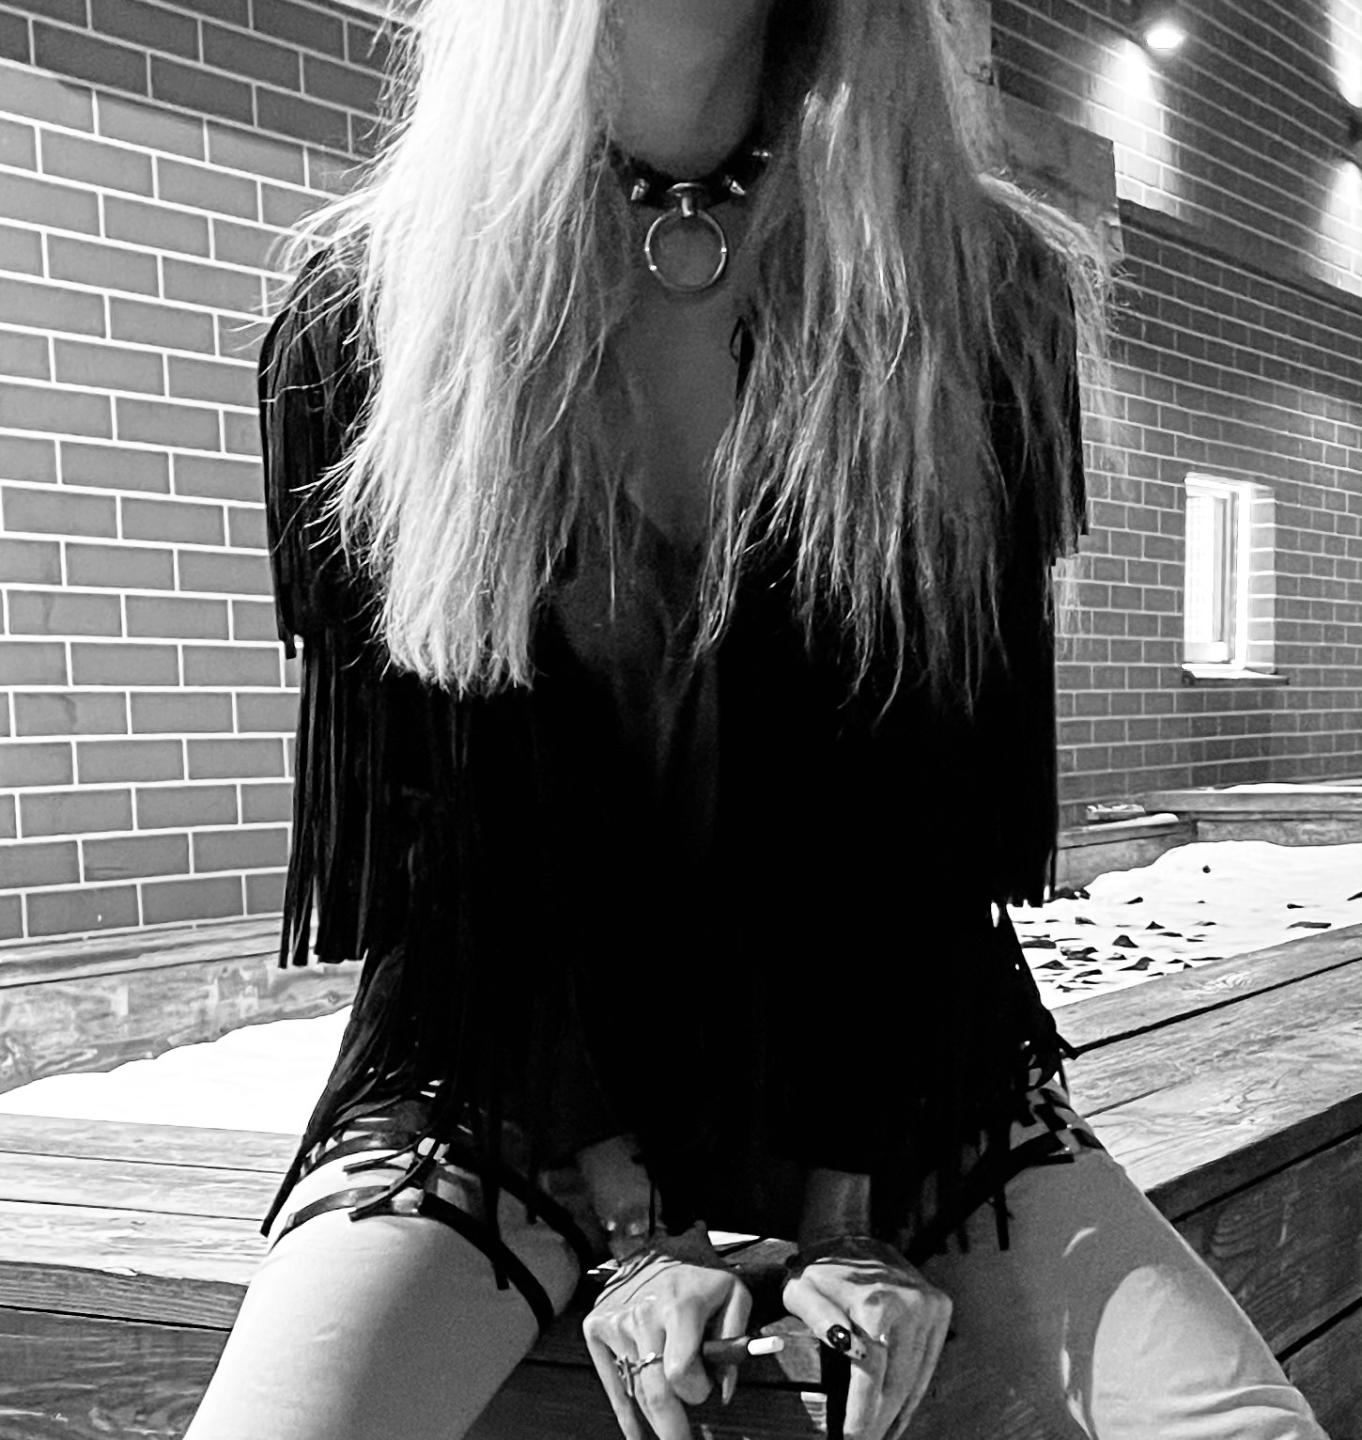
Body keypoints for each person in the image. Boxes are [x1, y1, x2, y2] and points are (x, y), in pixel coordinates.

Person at [185, 3, 1328, 1438]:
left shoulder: (978, 284)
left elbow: (931, 819)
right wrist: (633, 1228)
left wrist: (846, 1212)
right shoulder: (375, 297)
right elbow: (444, 847)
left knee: (1240, 1425)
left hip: (889, 1066)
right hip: (515, 1074)